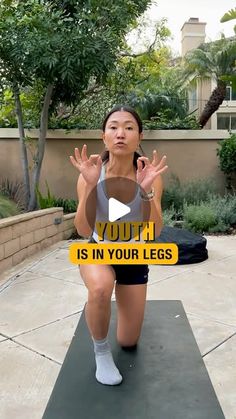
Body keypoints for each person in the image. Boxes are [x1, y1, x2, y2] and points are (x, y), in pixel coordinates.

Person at [70, 105, 168, 386]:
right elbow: (83, 229)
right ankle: (101, 352)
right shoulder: (91, 173)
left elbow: (155, 230)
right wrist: (90, 187)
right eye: (113, 127)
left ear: (140, 136)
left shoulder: (150, 174)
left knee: (127, 341)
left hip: (134, 255)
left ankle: (109, 315)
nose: (120, 133)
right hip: (98, 248)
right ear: (104, 136)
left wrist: (145, 190)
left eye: (129, 127)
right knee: (100, 288)